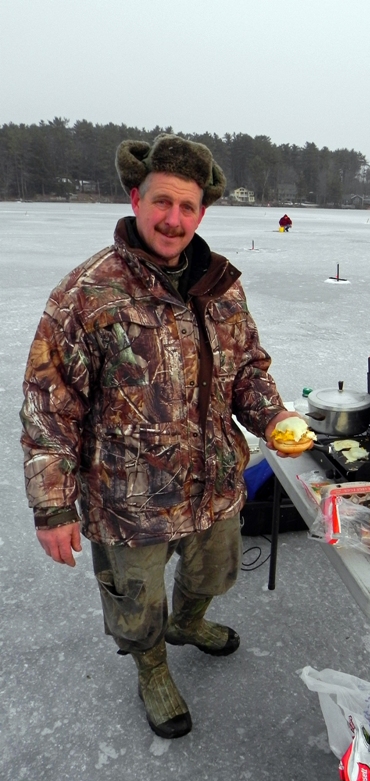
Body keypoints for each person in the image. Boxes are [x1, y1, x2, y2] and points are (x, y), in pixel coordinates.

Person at [20, 134, 304, 739]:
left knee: (214, 573)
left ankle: (189, 622)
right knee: (136, 603)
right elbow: (49, 404)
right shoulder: (87, 292)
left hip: (213, 483)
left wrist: (274, 418)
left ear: (202, 213)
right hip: (129, 498)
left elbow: (247, 370)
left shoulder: (220, 285)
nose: (173, 219)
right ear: (136, 199)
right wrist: (53, 509)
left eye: (187, 207)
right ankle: (151, 667)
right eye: (162, 202)